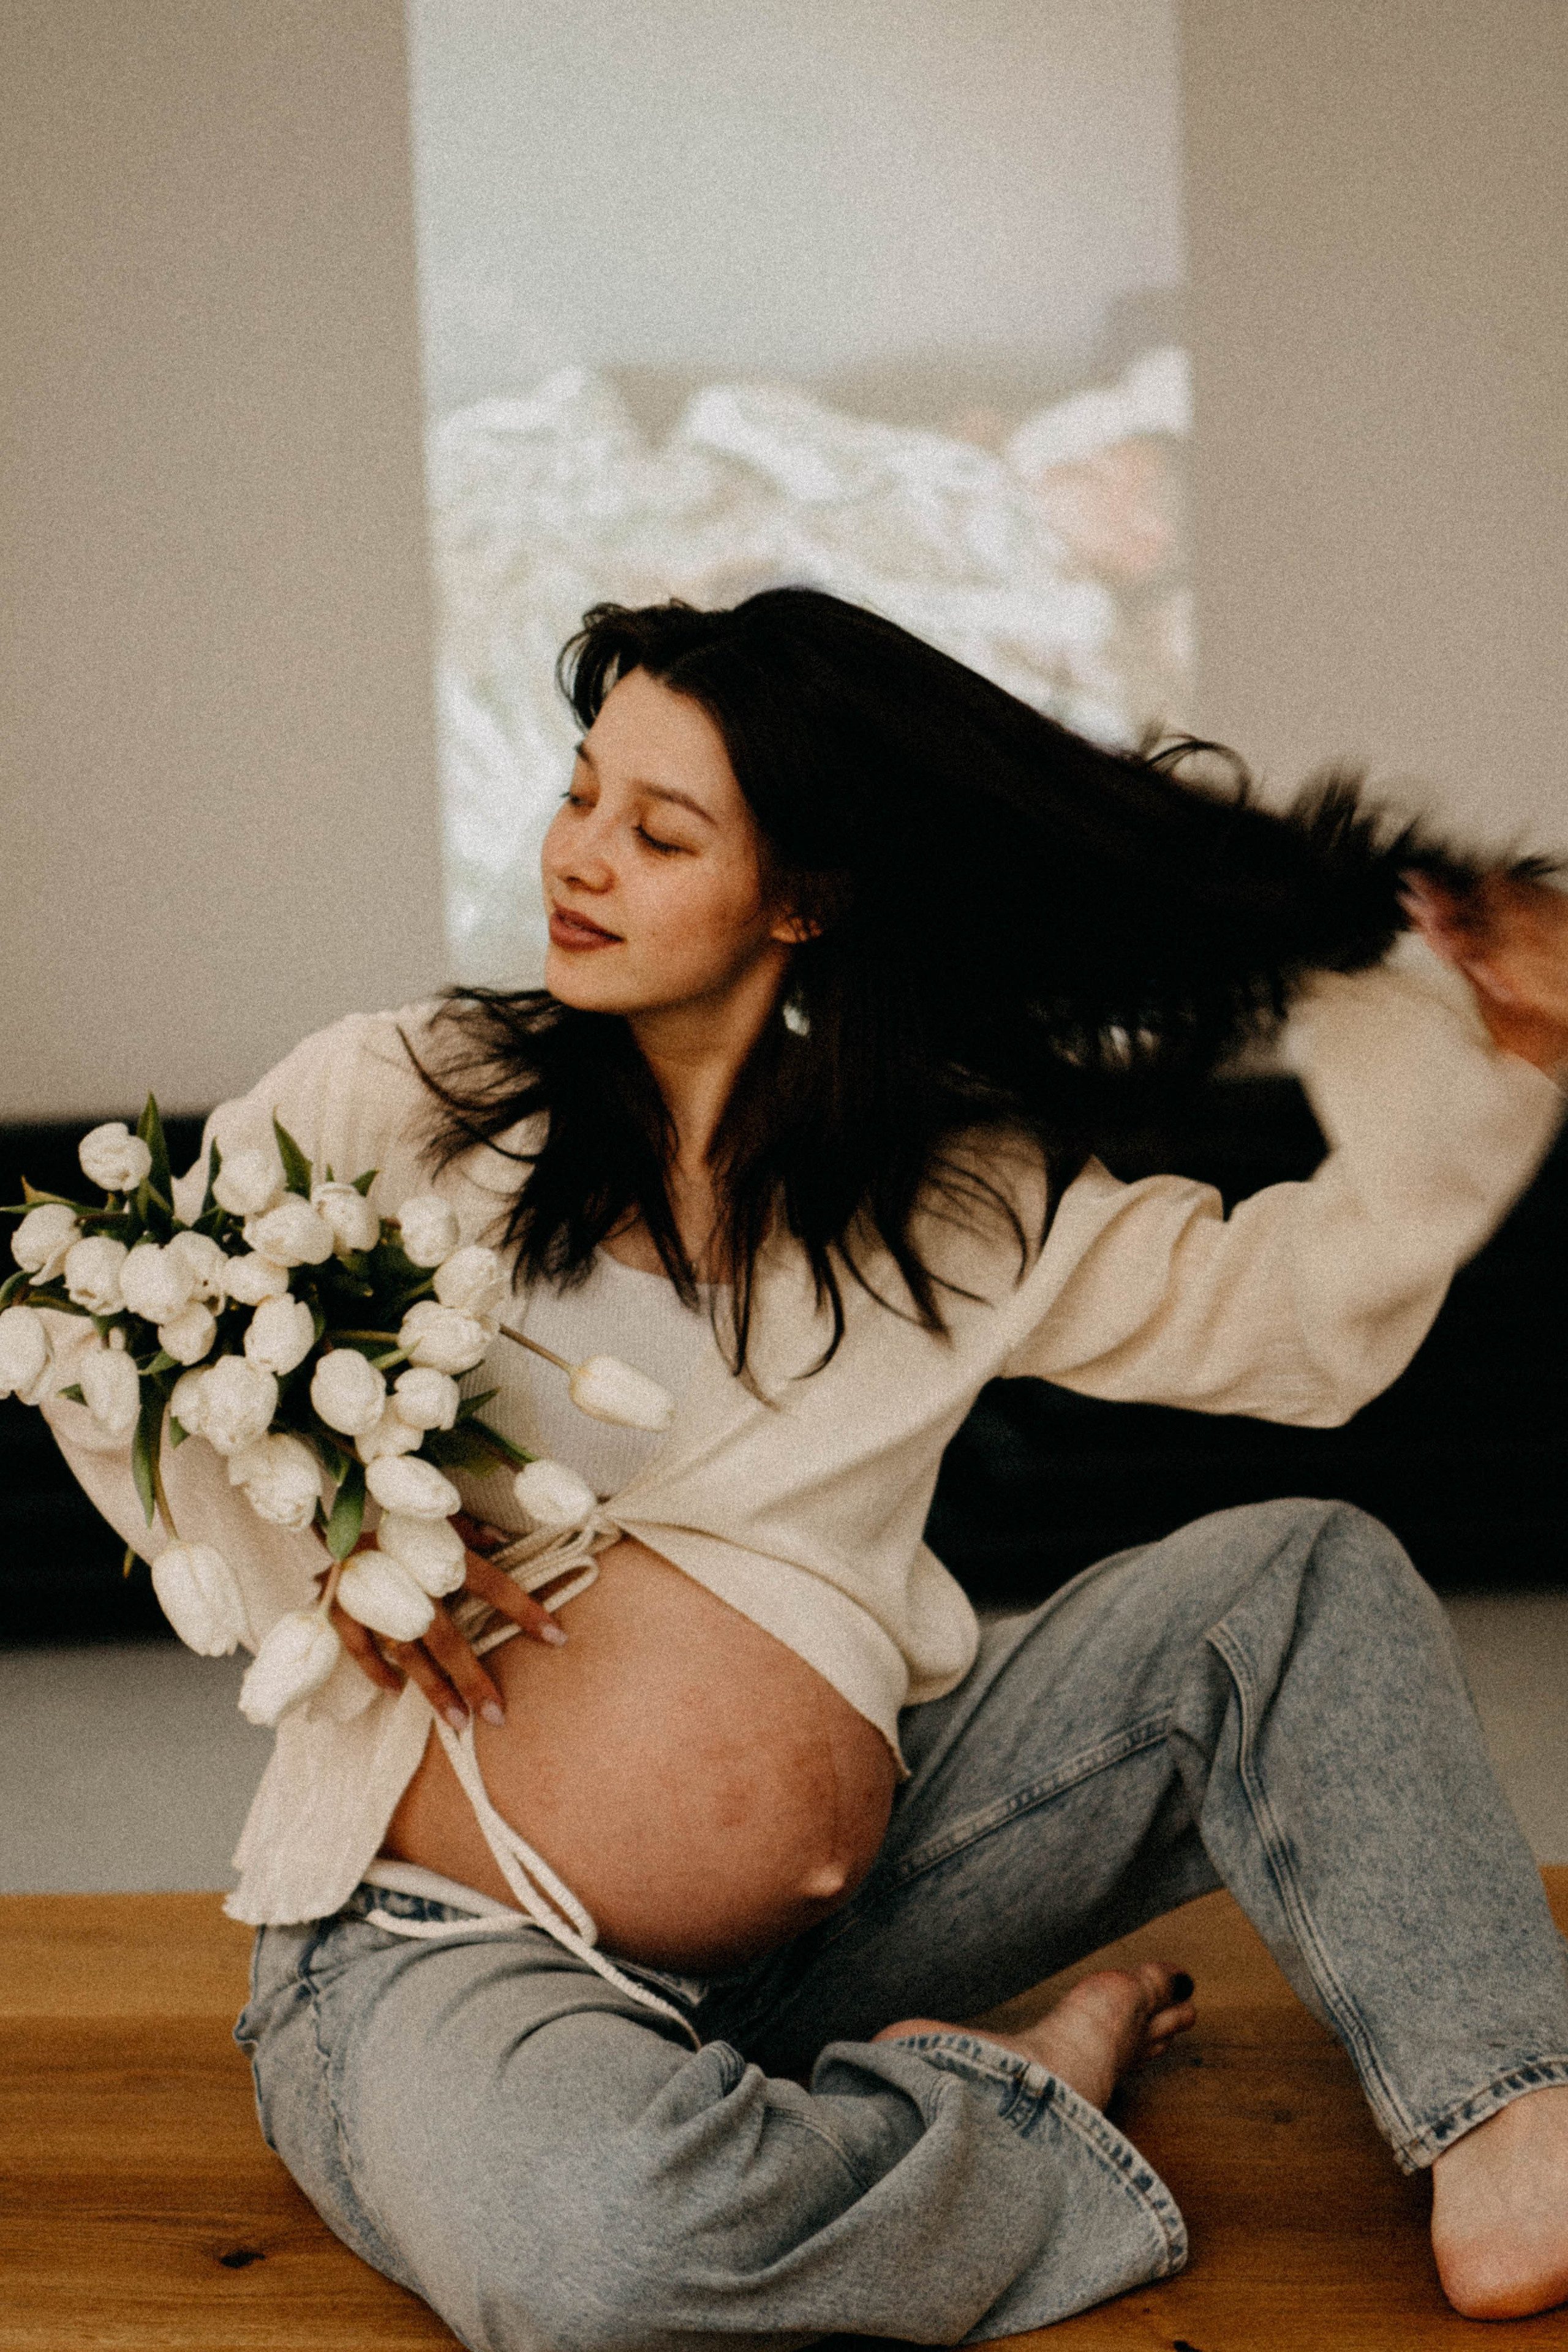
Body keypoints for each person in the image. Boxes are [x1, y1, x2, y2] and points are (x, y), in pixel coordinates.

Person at [43, 589, 1568, 2341]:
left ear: (805, 896)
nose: (581, 857)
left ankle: (1508, 2106)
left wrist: (1477, 1040)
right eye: (579, 794)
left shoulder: (952, 1198)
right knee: (605, 2247)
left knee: (1299, 1581)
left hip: (847, 1929)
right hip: (440, 1961)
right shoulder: (414, 1098)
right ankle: (997, 2102)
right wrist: (323, 1542)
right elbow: (118, 1330)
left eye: (660, 829)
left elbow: (1305, 1322)